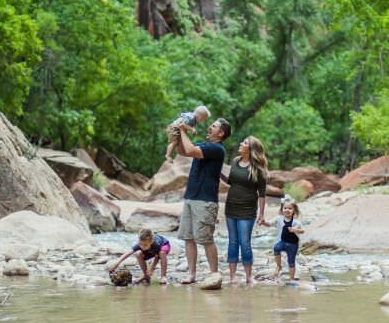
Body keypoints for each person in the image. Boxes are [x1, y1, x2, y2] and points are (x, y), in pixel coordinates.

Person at [176, 117, 232, 284]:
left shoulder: (217, 149)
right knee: (188, 237)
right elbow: (183, 151)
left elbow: (191, 150)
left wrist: (182, 130)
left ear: (221, 133)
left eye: (213, 126)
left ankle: (214, 273)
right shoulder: (205, 145)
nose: (209, 127)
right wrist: (178, 134)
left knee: (206, 239)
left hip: (205, 200)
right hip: (191, 197)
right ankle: (192, 274)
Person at [223, 136, 268, 285]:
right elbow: (230, 182)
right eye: (242, 141)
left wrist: (261, 215)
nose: (241, 144)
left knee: (245, 243)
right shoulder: (235, 161)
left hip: (247, 210)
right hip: (231, 207)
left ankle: (249, 277)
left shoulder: (258, 169)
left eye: (245, 143)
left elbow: (262, 193)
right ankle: (232, 276)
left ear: (251, 149)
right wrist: (214, 169)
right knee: (233, 242)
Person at [107, 228, 171, 285]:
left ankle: (163, 276)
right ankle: (146, 276)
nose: (142, 247)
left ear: (151, 242)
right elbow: (128, 253)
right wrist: (116, 263)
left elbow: (157, 257)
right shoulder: (141, 244)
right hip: (150, 251)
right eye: (141, 244)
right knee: (138, 254)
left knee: (162, 253)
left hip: (164, 246)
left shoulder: (156, 244)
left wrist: (151, 269)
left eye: (145, 245)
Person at [270, 198, 304, 281]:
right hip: (282, 242)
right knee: (276, 248)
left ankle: (292, 279)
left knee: (291, 261)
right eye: (285, 208)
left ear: (294, 211)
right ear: (282, 209)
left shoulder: (296, 222)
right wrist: (263, 222)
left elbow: (302, 231)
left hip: (293, 244)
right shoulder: (279, 219)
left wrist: (295, 230)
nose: (287, 210)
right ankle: (279, 266)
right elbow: (270, 224)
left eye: (290, 208)